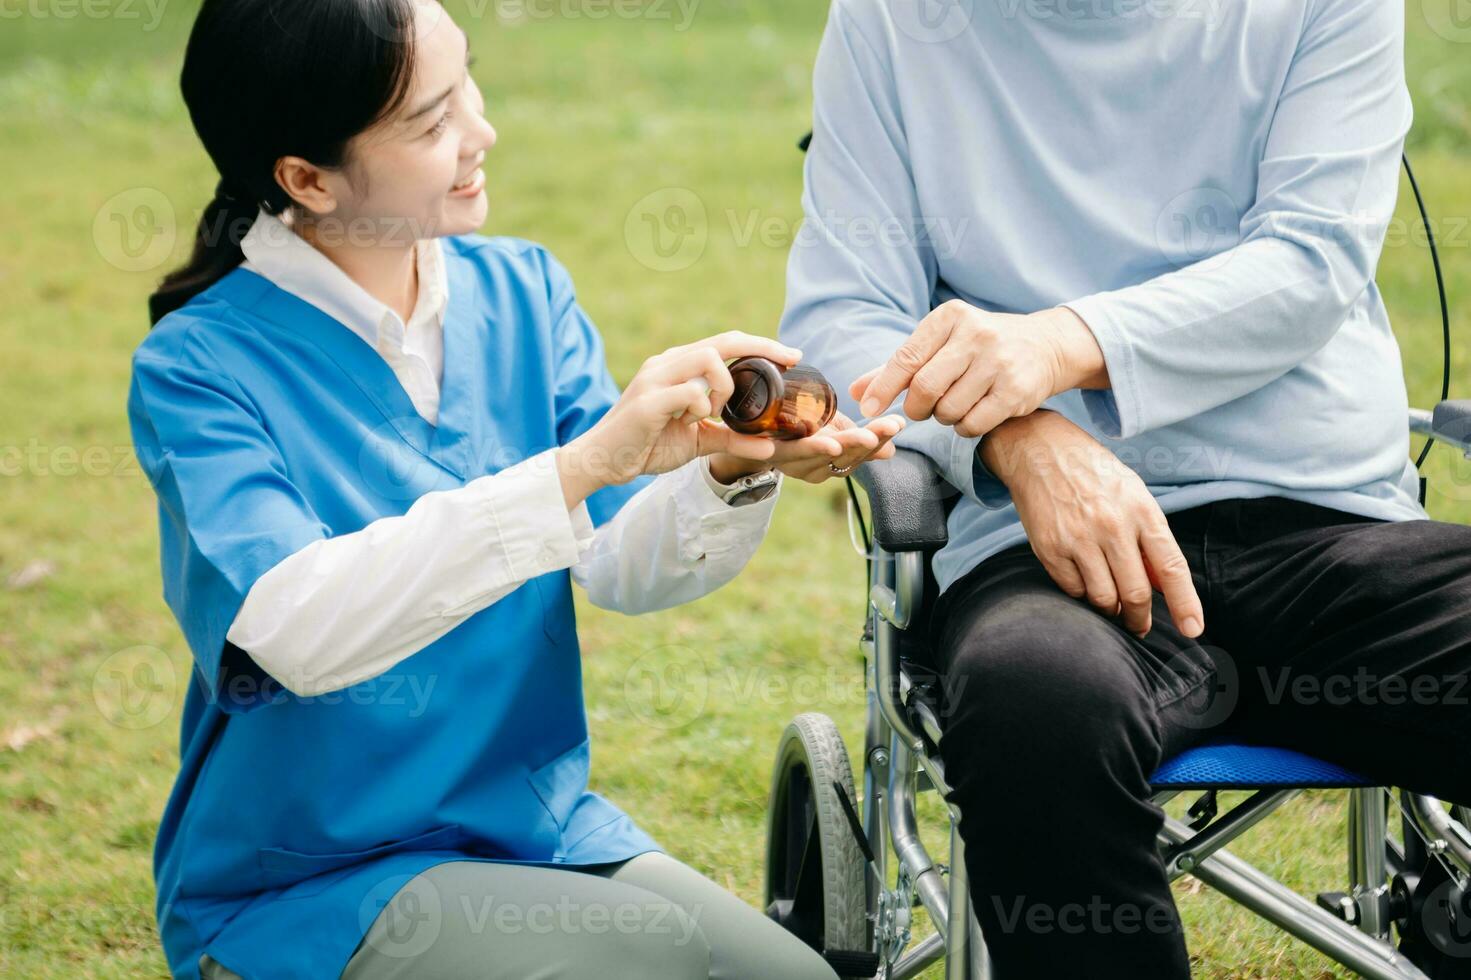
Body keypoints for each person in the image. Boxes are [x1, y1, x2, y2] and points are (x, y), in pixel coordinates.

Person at [127, 1, 905, 976]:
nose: (480, 132)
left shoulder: (523, 292)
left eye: (468, 85)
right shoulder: (198, 368)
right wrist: (578, 468)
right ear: (305, 178)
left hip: (534, 830)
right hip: (313, 879)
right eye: (430, 120)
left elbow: (621, 563)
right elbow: (286, 631)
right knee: (651, 956)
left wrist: (723, 468)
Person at [780, 0, 1471, 976]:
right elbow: (843, 316)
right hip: (1044, 557)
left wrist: (1061, 343)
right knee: (1032, 700)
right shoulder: (895, 21)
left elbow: (1309, 264)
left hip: (1327, 529)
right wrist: (1014, 436)